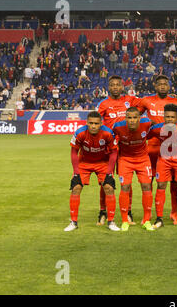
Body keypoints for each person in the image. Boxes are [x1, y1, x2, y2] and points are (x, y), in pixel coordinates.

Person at [137, 75, 177, 225]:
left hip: (171, 149)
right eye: (160, 84)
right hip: (152, 147)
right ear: (155, 86)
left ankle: (174, 212)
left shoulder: (176, 102)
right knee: (149, 181)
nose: (163, 86)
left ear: (169, 86)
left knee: (175, 183)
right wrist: (147, 122)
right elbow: (134, 116)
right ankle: (148, 214)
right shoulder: (146, 101)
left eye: (165, 84)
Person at [96, 75, 141, 225]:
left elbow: (147, 104)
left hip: (126, 146)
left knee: (126, 181)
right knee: (105, 180)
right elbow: (96, 122)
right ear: (109, 87)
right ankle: (103, 212)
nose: (115, 87)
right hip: (108, 147)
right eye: (113, 85)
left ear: (122, 87)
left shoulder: (131, 100)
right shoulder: (103, 104)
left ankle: (127, 212)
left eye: (118, 85)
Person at [64, 111, 120, 232]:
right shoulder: (79, 133)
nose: (93, 126)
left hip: (103, 163)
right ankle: (73, 222)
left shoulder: (108, 133)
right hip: (84, 163)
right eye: (91, 123)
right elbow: (74, 152)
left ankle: (111, 221)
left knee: (109, 188)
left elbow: (114, 152)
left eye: (96, 123)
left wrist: (110, 172)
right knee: (76, 187)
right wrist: (76, 172)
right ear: (86, 123)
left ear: (101, 123)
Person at [147, 103, 177, 229]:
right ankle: (159, 219)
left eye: (173, 117)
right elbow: (143, 136)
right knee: (161, 185)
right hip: (164, 159)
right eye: (167, 117)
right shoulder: (157, 128)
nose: (170, 119)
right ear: (163, 117)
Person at [112, 107, 154, 232]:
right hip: (125, 159)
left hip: (143, 159)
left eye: (135, 117)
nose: (132, 120)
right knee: (125, 187)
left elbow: (157, 125)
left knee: (146, 187)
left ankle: (146, 220)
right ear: (125, 118)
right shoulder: (118, 127)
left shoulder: (147, 123)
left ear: (139, 118)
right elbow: (110, 139)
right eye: (129, 118)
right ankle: (125, 221)